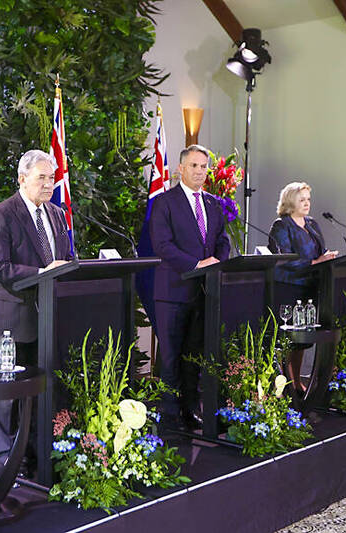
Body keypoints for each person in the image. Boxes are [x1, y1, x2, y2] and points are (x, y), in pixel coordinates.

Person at [0, 149, 73, 471]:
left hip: (46, 316)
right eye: (42, 178)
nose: (49, 185)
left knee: (40, 389)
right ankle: (7, 457)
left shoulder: (58, 214)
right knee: (8, 394)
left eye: (52, 178)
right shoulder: (2, 214)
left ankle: (37, 449)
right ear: (22, 179)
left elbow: (65, 259)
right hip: (11, 317)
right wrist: (42, 274)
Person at [150, 144, 230, 431]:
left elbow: (222, 239)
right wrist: (197, 264)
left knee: (193, 358)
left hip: (204, 293)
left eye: (203, 166)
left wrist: (217, 262)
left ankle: (189, 411)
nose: (199, 171)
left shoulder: (212, 203)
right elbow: (162, 245)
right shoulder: (165, 202)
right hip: (173, 292)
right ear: (181, 169)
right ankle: (168, 418)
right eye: (193, 166)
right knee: (170, 358)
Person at [268, 181, 338, 392]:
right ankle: (285, 385)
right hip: (288, 287)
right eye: (302, 200)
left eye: (308, 199)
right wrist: (316, 263)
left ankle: (296, 381)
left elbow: (320, 251)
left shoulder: (312, 224)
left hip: (311, 287)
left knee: (303, 340)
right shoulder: (281, 225)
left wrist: (327, 258)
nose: (307, 203)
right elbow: (284, 259)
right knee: (289, 338)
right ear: (290, 201)